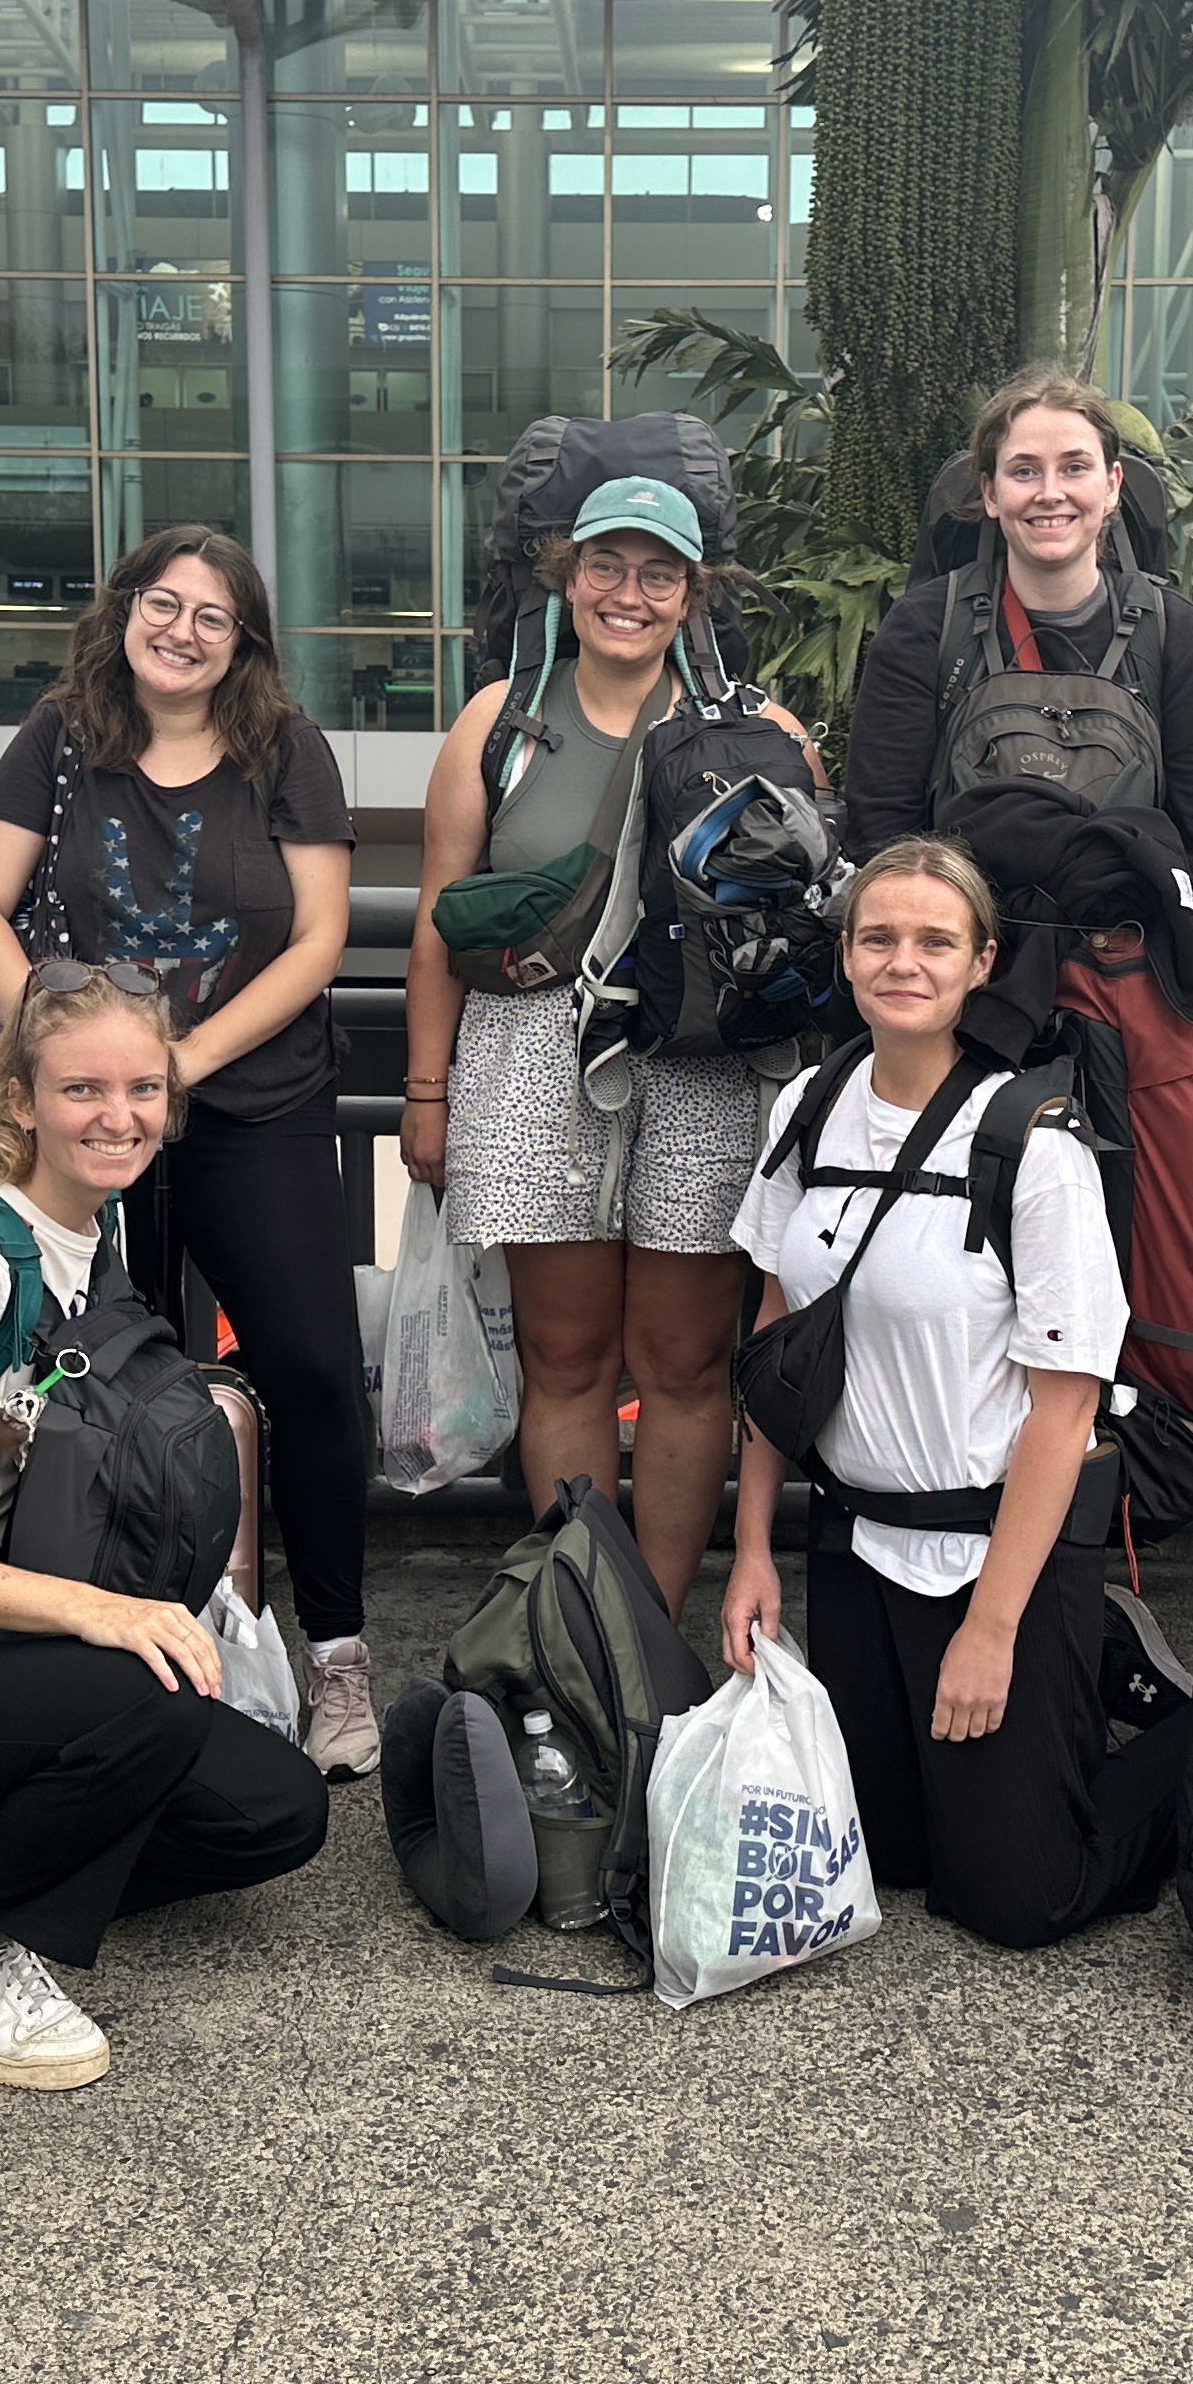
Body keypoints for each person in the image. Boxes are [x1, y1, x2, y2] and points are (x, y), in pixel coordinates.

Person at [0, 965, 330, 2091]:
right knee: (147, 1684)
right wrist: (103, 1610)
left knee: (276, 1811)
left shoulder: (91, 1229)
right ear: (23, 1099)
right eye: (82, 1088)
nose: (119, 1117)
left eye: (144, 1087)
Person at [0, 526, 372, 1775]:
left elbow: (320, 938)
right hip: (90, 1125)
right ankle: (111, 1636)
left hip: (256, 1106)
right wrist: (68, 1065)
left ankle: (336, 1652)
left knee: (310, 1371)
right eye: (161, 603)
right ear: (125, 608)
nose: (180, 630)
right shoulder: (62, 737)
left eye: (211, 617)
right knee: (84, 1382)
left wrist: (174, 1066)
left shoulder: (287, 749)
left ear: (244, 643)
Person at [721, 837, 1193, 1951]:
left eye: (936, 940)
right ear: (844, 957)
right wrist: (752, 1550)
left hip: (998, 1556)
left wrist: (991, 1631)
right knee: (888, 1858)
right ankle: (1069, 1701)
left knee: (1017, 1900)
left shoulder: (1032, 1142)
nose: (905, 961)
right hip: (854, 1546)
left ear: (982, 962)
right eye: (879, 937)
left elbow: (1066, 1408)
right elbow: (774, 1349)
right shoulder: (810, 1101)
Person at [405, 477, 816, 1606]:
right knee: (569, 1357)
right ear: (564, 572)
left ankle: (658, 1634)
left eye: (658, 574)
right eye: (606, 566)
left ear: (693, 593)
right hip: (536, 1047)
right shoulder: (496, 724)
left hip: (702, 1060)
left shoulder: (762, 733)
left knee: (686, 1366)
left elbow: (806, 920)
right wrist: (425, 1092)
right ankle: (587, 1628)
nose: (626, 595)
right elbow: (439, 923)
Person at [844, 371, 1193, 936]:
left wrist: (1181, 981)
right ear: (990, 493)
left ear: (1112, 485)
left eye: (1075, 467)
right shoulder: (923, 630)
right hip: (965, 966)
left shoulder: (1178, 636)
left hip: (1131, 961)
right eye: (1024, 471)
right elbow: (883, 835)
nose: (1050, 492)